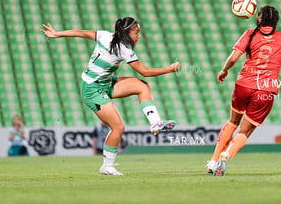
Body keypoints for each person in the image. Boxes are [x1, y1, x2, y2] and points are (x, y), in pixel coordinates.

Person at [42, 17, 179, 175]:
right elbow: (145, 72)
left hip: (105, 84)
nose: (139, 36)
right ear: (127, 33)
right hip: (93, 90)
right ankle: (107, 166)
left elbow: (80, 33)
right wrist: (170, 69)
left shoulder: (105, 35)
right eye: (136, 32)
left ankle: (155, 123)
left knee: (142, 86)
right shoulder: (124, 50)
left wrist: (59, 34)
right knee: (118, 127)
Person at [207, 5, 281, 176]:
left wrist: (224, 70)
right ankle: (227, 155)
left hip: (243, 85)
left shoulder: (250, 33)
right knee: (245, 131)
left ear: (259, 18)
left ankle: (213, 161)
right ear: (276, 21)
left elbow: (233, 58)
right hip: (266, 90)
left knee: (232, 122)